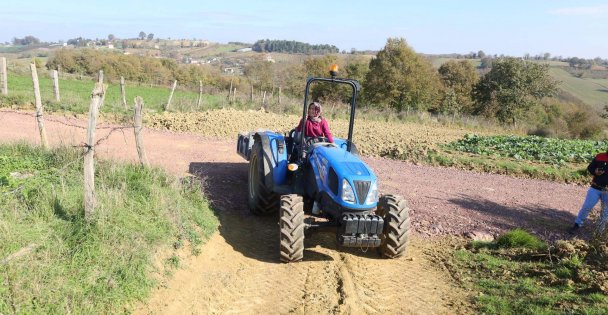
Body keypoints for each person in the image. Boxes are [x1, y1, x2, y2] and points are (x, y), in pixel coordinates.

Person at [570, 151, 608, 234]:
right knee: (587, 207)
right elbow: (590, 168)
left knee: (605, 212)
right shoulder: (600, 156)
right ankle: (577, 225)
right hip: (595, 188)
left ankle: (599, 232)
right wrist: (596, 171)